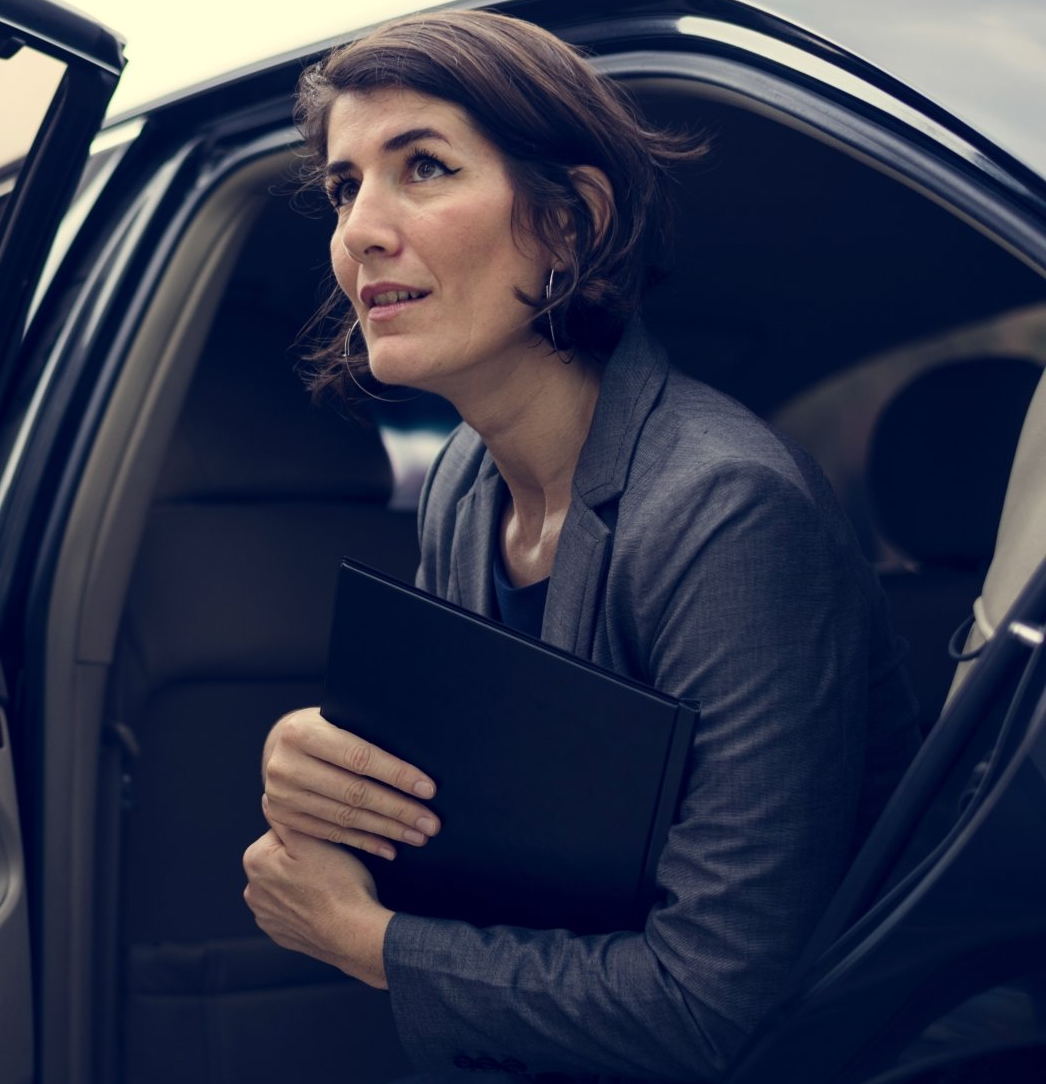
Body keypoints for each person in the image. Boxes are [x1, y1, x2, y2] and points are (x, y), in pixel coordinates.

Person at [241, 11, 920, 1081]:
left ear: (570, 223)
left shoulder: (726, 508)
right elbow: (485, 849)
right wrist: (321, 775)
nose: (360, 229)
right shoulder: (467, 485)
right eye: (342, 187)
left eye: (422, 166)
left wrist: (364, 941)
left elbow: (713, 1006)